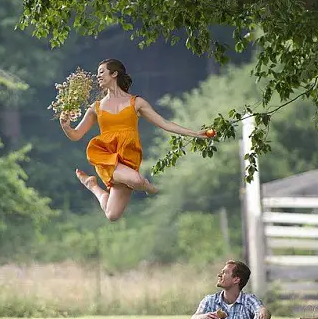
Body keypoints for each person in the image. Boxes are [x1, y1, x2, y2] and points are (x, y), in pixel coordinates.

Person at [60, 58, 210, 222]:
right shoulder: (95, 108)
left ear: (114, 73)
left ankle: (92, 185)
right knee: (137, 180)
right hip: (107, 156)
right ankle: (148, 187)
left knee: (112, 215)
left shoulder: (136, 102)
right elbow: (76, 135)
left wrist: (194, 133)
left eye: (101, 72)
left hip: (128, 157)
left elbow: (164, 123)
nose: (98, 77)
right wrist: (66, 126)